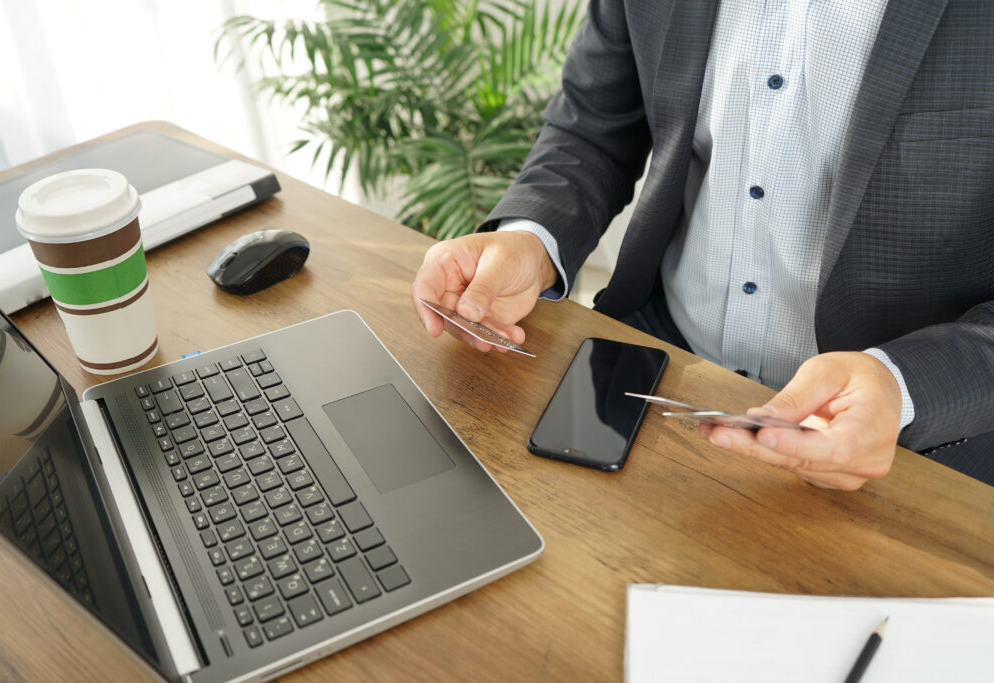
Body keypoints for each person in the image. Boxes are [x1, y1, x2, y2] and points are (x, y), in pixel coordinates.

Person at [412, 0, 994, 490]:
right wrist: (531, 240)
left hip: (912, 452)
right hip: (654, 374)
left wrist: (902, 384)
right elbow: (593, 124)